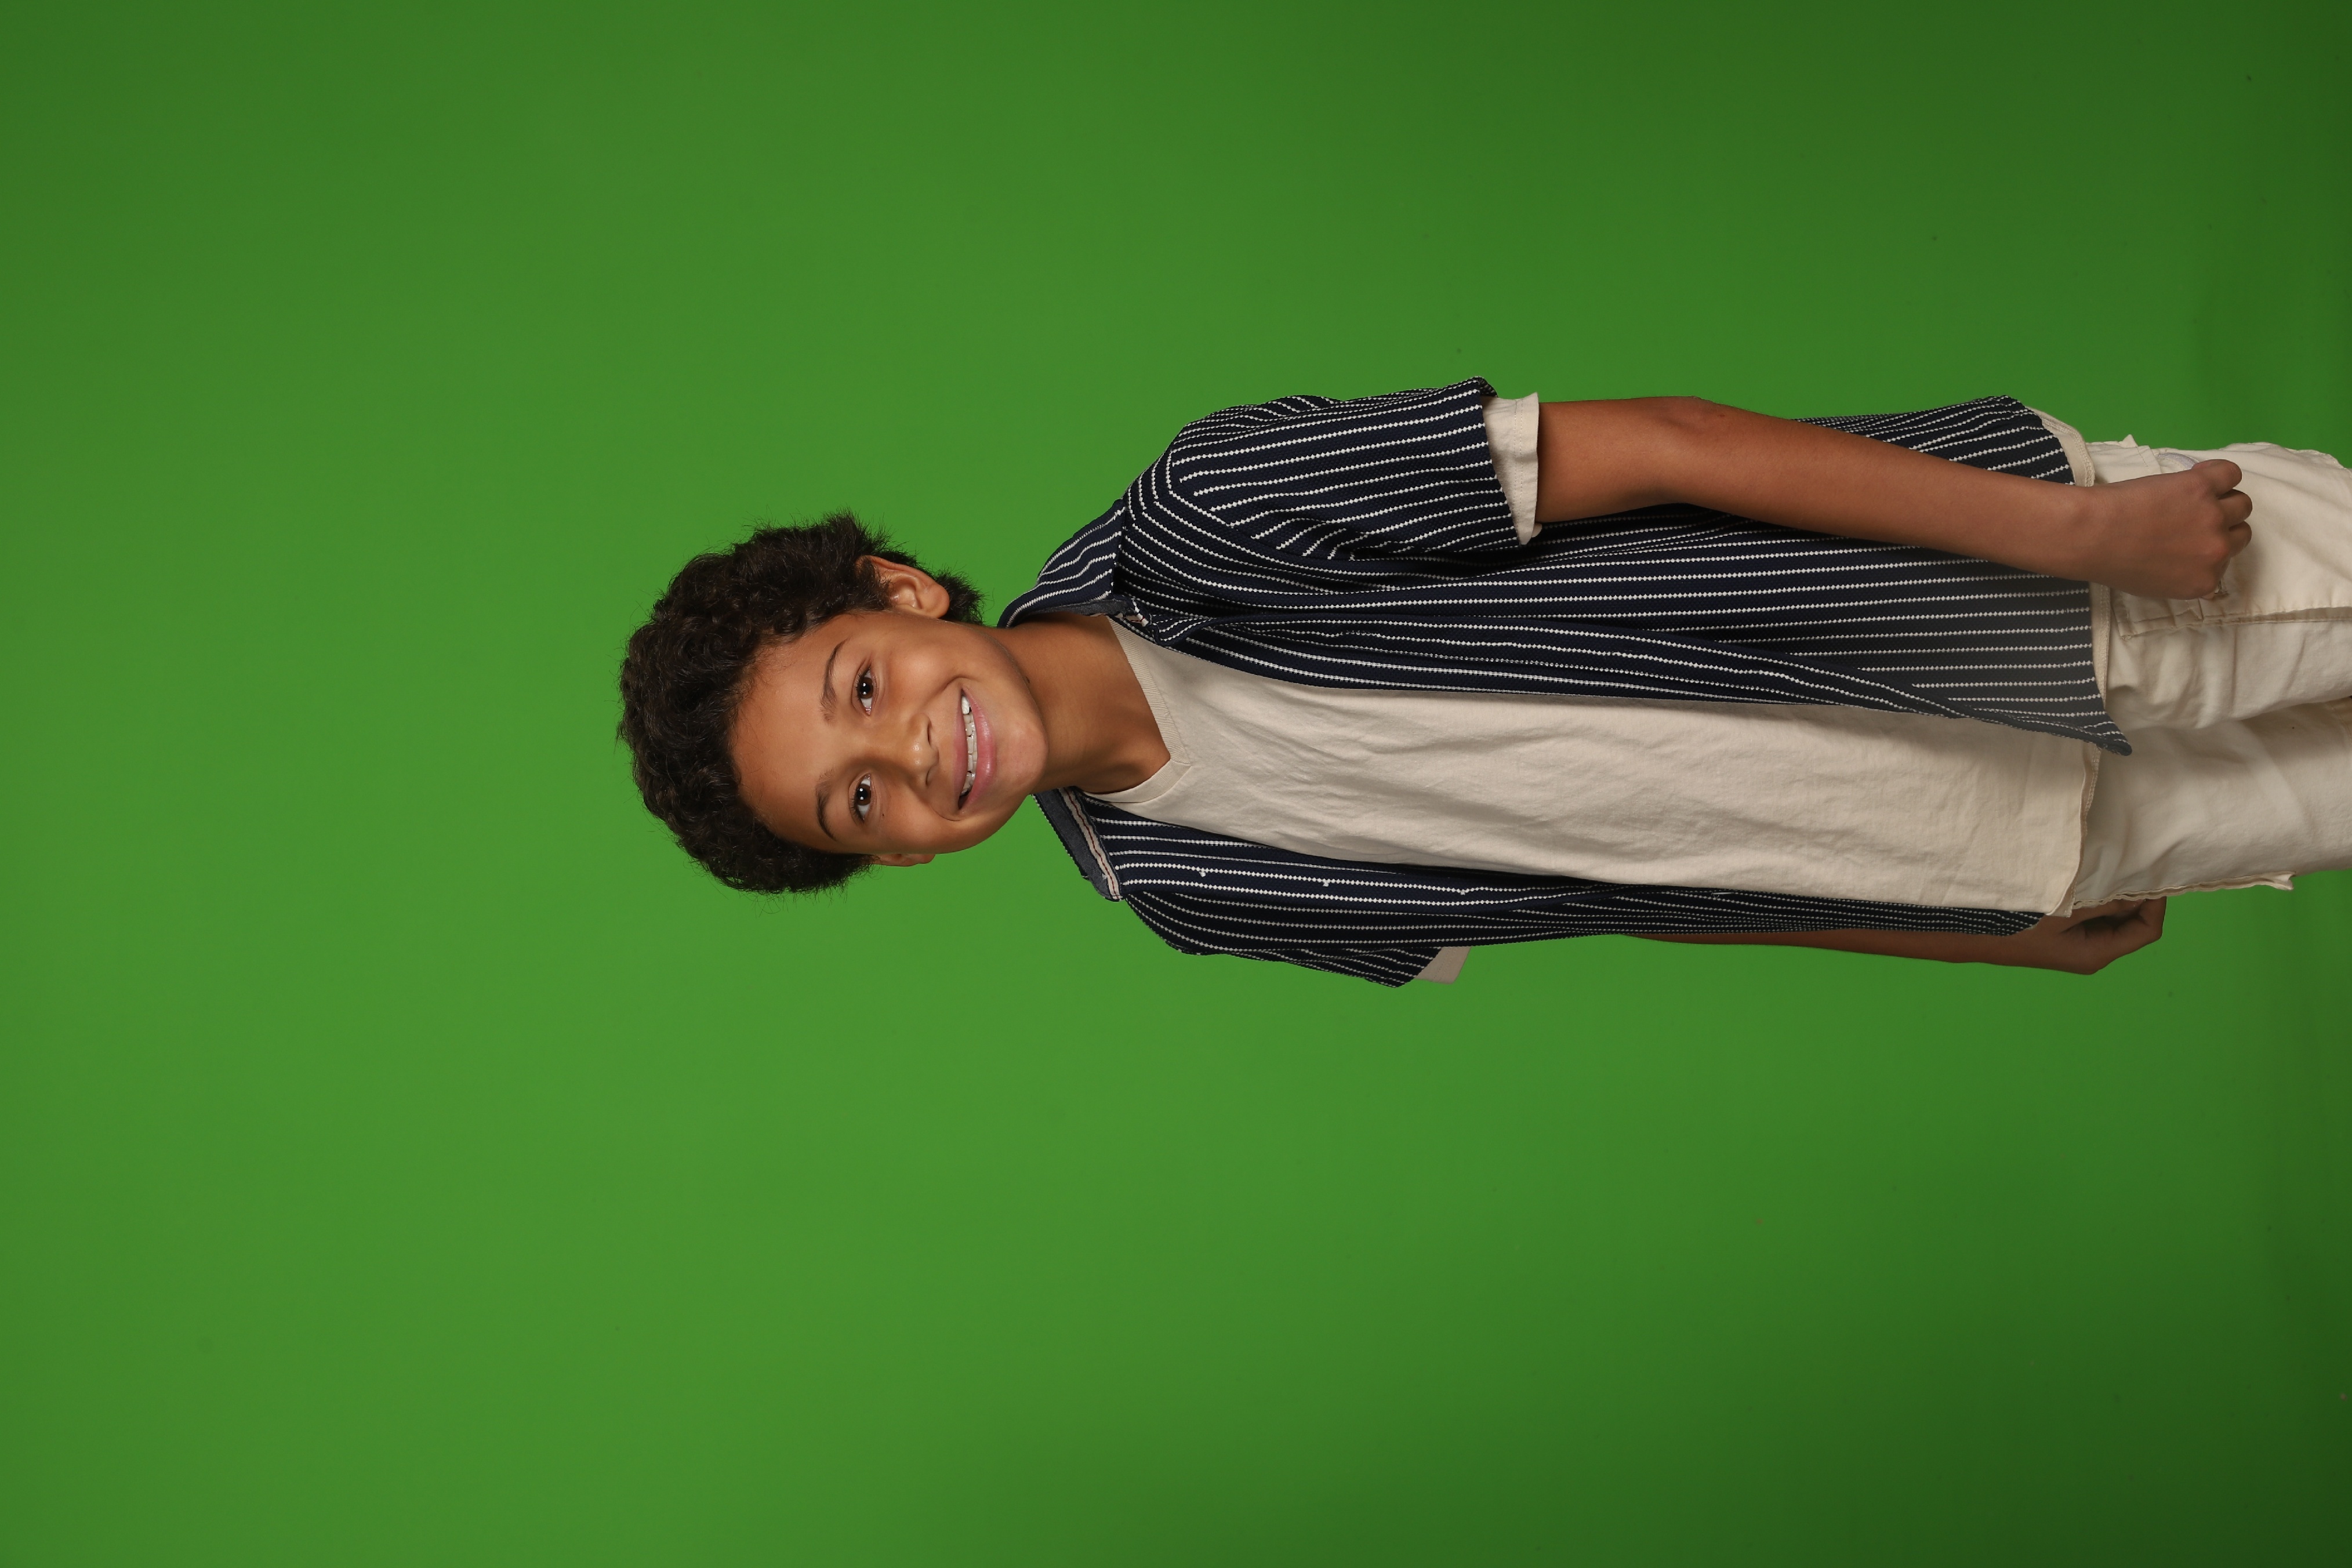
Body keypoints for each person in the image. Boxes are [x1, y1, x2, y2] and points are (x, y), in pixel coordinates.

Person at [618, 380, 2352, 985]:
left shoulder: (1212, 510)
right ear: (896, 855)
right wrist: (1970, 931)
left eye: (861, 685)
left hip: (2014, 602)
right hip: (2004, 845)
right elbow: (1601, 890)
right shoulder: (1180, 893)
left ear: (901, 592)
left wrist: (2071, 535)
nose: (909, 759)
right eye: (858, 804)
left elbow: (1666, 446)